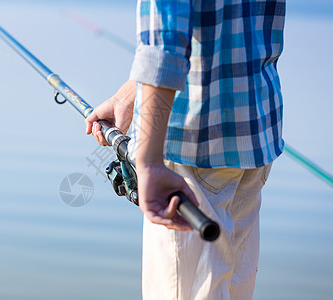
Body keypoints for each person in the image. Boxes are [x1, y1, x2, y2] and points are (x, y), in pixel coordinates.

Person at [85, 0, 285, 299]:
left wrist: (149, 162)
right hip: (255, 137)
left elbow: (165, 40)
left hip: (188, 150)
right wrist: (132, 92)